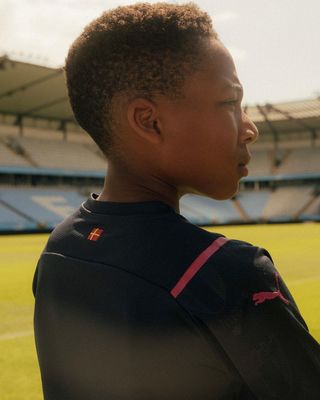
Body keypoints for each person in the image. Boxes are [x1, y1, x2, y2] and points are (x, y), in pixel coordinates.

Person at [32, 2, 320, 399]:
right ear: (149, 122)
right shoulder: (227, 275)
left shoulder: (59, 250)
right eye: (230, 103)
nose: (250, 128)